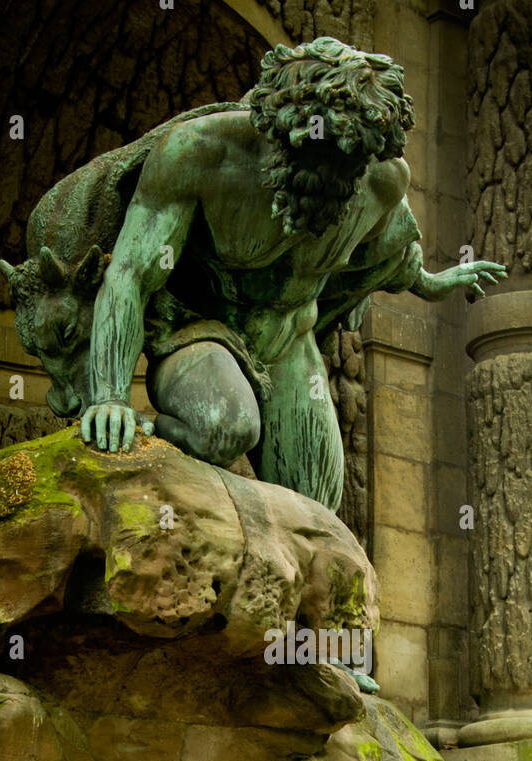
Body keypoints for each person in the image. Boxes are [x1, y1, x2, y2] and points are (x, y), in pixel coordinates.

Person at [79, 37, 506, 510]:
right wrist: (110, 394)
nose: (337, 173)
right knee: (225, 425)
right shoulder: (200, 153)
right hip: (196, 330)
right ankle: (153, 439)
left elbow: (388, 253)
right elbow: (130, 275)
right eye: (321, 153)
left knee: (316, 500)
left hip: (287, 340)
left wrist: (431, 283)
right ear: (277, 128)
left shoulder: (376, 178)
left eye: (352, 159)